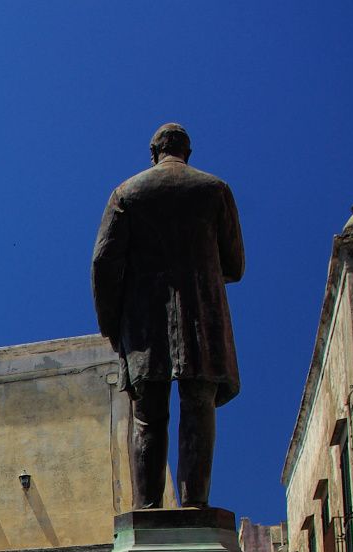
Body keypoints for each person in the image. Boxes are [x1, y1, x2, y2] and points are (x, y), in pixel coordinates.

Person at [91, 122, 246, 510]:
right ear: (187, 153)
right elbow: (236, 265)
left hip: (143, 324)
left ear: (153, 153)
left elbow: (103, 263)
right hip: (201, 318)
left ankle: (147, 509)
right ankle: (195, 506)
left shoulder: (126, 193)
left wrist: (113, 326)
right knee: (198, 406)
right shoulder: (215, 190)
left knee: (148, 415)